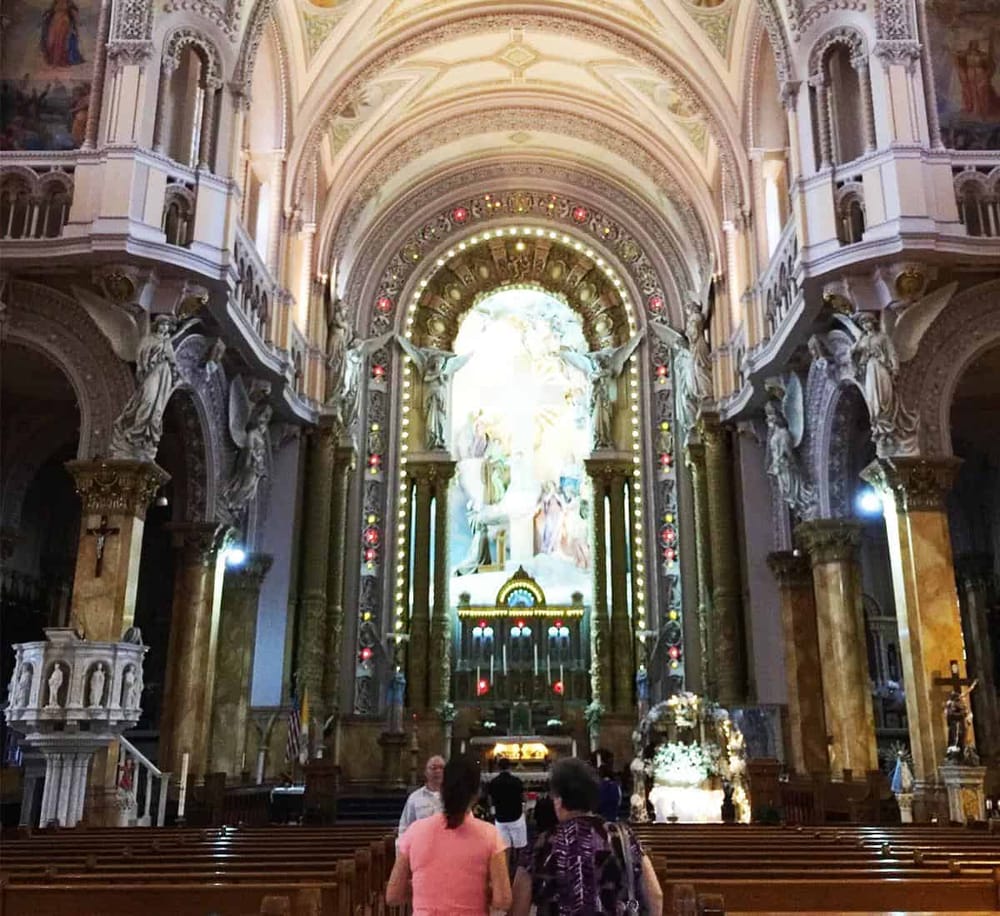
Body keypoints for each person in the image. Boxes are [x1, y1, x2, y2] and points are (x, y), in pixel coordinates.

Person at [511, 758, 663, 916]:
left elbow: (518, 909)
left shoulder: (541, 844)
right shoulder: (623, 836)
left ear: (559, 801)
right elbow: (655, 896)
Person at [386, 755, 512, 914]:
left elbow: (393, 896)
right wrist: (477, 891)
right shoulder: (489, 835)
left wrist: (424, 888)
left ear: (442, 789)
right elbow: (502, 901)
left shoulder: (415, 831)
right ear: (476, 794)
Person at [398, 755, 445, 838]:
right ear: (426, 772)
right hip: (421, 842)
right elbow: (405, 826)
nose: (438, 771)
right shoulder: (415, 798)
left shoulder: (454, 796)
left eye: (441, 768)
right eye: (433, 768)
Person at [488, 756, 527, 849]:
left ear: (498, 767)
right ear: (510, 767)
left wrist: (492, 812)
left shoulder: (493, 782)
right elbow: (524, 798)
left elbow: (490, 800)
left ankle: (507, 858)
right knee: (519, 845)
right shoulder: (516, 781)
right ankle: (517, 857)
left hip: (500, 817)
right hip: (516, 816)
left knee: (504, 846)